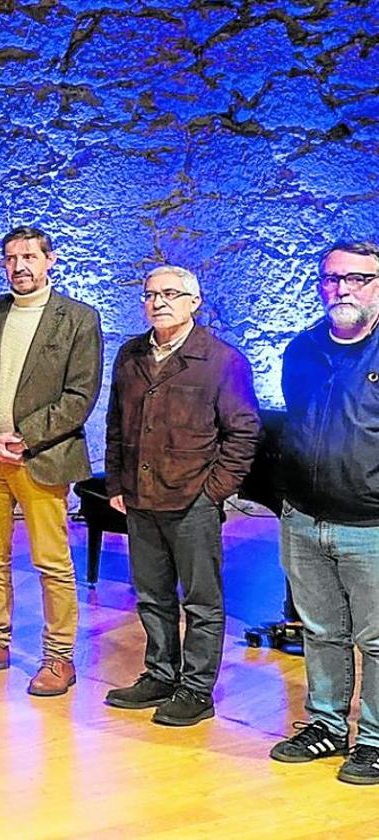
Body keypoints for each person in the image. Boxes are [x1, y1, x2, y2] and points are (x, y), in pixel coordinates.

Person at [101, 265, 260, 727]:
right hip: (140, 497)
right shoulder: (131, 354)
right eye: (150, 294)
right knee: (151, 596)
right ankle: (161, 673)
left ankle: (196, 689)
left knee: (201, 601)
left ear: (194, 302)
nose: (158, 302)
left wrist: (215, 492)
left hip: (193, 499)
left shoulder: (220, 359)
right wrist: (116, 483)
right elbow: (116, 424)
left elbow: (243, 432)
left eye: (171, 294)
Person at [0, 225, 104, 697]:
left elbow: (80, 396)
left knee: (51, 562)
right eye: (11, 258)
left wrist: (20, 438)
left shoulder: (78, 318)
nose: (20, 266)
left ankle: (59, 657)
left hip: (40, 457)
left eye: (29, 257)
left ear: (49, 260)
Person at [270, 239, 379, 784]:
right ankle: (328, 726)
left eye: (358, 279)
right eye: (332, 279)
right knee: (320, 631)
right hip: (304, 519)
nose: (343, 289)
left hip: (372, 527)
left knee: (378, 640)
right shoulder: (302, 348)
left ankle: (376, 741)